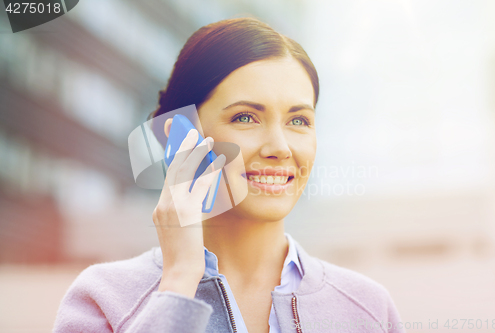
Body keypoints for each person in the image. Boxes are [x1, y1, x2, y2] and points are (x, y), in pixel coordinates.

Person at [53, 17, 405, 333]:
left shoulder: (367, 309)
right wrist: (179, 280)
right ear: (181, 136)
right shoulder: (103, 299)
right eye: (245, 117)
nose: (280, 147)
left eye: (298, 120)